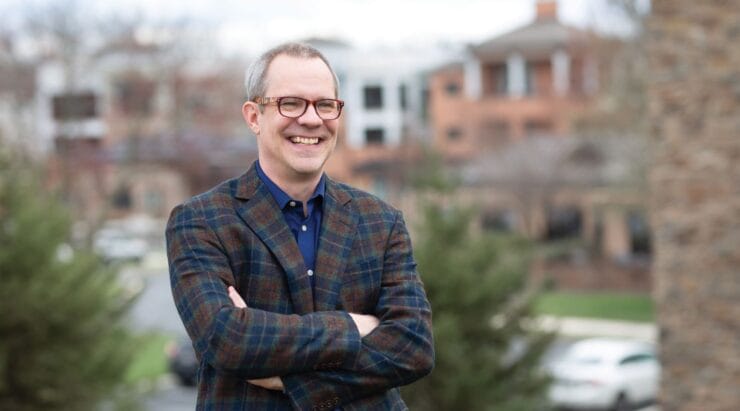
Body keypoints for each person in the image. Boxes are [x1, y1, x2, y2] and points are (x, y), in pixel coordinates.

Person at [166, 42, 434, 410]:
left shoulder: (382, 221)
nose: (311, 119)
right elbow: (225, 339)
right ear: (254, 116)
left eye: (325, 105)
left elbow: (413, 347)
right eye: (290, 103)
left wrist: (289, 380)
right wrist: (352, 327)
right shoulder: (201, 221)